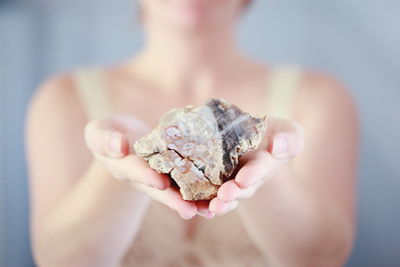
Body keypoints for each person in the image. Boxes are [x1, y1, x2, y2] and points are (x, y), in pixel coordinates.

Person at [26, 0, 359, 266]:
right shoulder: (62, 99)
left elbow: (321, 259)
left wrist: (266, 170)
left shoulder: (319, 98)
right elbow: (61, 260)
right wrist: (114, 172)